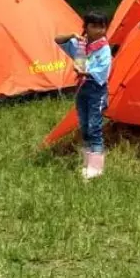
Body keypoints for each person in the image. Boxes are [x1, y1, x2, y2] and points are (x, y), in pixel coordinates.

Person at [55, 11, 112, 180]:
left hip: (96, 89)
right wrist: (71, 35)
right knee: (84, 125)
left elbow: (103, 70)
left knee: (94, 126)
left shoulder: (104, 48)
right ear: (85, 28)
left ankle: (96, 167)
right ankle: (87, 161)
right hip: (82, 89)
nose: (99, 30)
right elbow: (58, 40)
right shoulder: (80, 44)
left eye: (102, 26)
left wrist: (85, 72)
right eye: (94, 26)